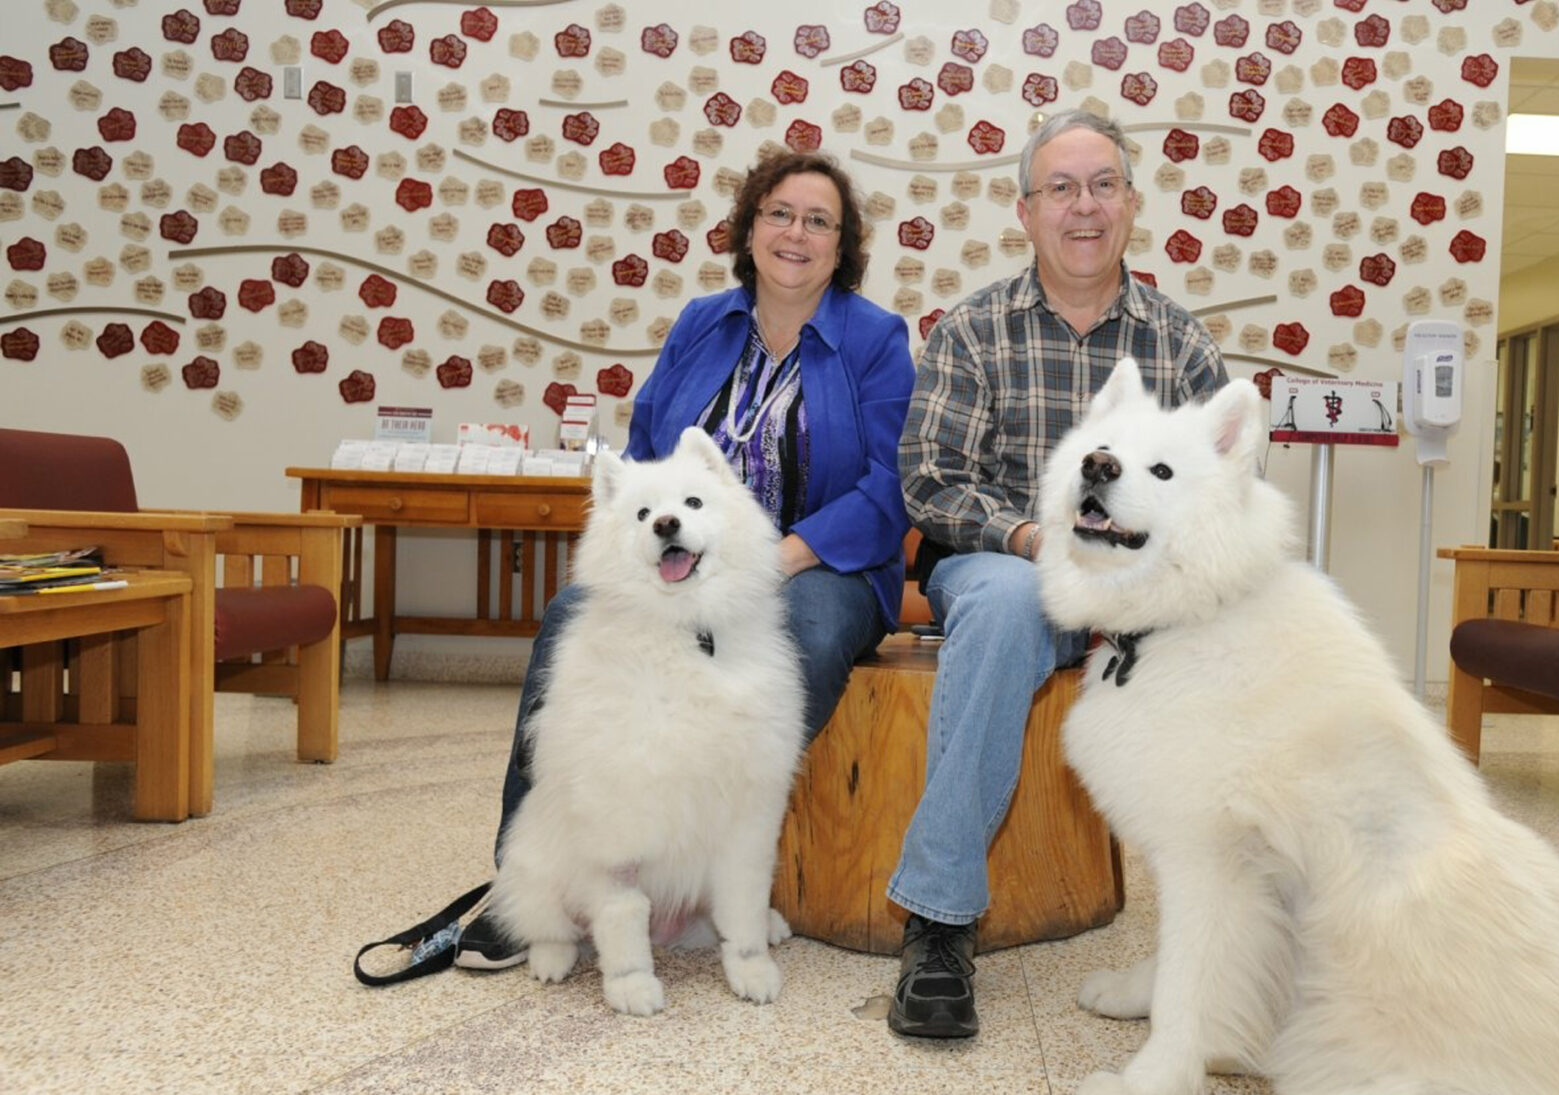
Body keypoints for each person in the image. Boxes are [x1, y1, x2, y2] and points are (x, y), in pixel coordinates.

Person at [454, 150, 915, 968]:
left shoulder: (875, 340)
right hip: (679, 567)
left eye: (819, 221)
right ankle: (530, 877)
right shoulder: (703, 323)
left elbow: (889, 485)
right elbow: (642, 460)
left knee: (796, 647)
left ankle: (708, 865)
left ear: (843, 247)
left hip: (824, 565)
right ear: (749, 228)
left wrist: (784, 554)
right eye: (779, 213)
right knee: (569, 627)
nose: (796, 234)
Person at [886, 110, 1229, 1038]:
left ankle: (1228, 932)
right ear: (1026, 211)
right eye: (1062, 189)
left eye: (1103, 185)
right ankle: (940, 920)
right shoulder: (974, 329)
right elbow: (930, 480)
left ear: (1131, 202)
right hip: (1011, 568)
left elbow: (1221, 489)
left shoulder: (1178, 342)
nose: (1085, 207)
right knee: (999, 609)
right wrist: (1037, 538)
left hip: (1146, 583)